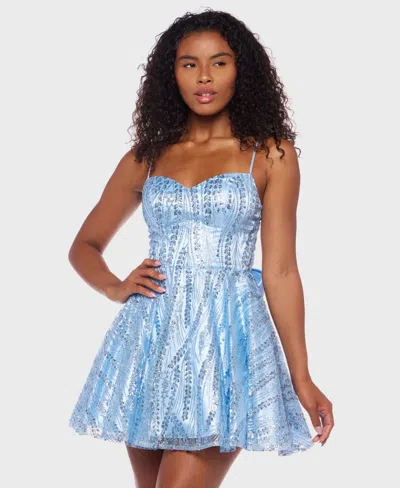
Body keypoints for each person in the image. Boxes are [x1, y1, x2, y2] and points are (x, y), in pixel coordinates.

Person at [68, 8, 334, 488]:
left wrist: (302, 377)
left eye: (219, 62)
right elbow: (84, 246)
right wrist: (115, 287)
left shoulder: (270, 154)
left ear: (240, 70)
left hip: (225, 341)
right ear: (171, 74)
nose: (204, 76)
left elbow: (280, 272)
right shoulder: (147, 157)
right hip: (150, 339)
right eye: (189, 64)